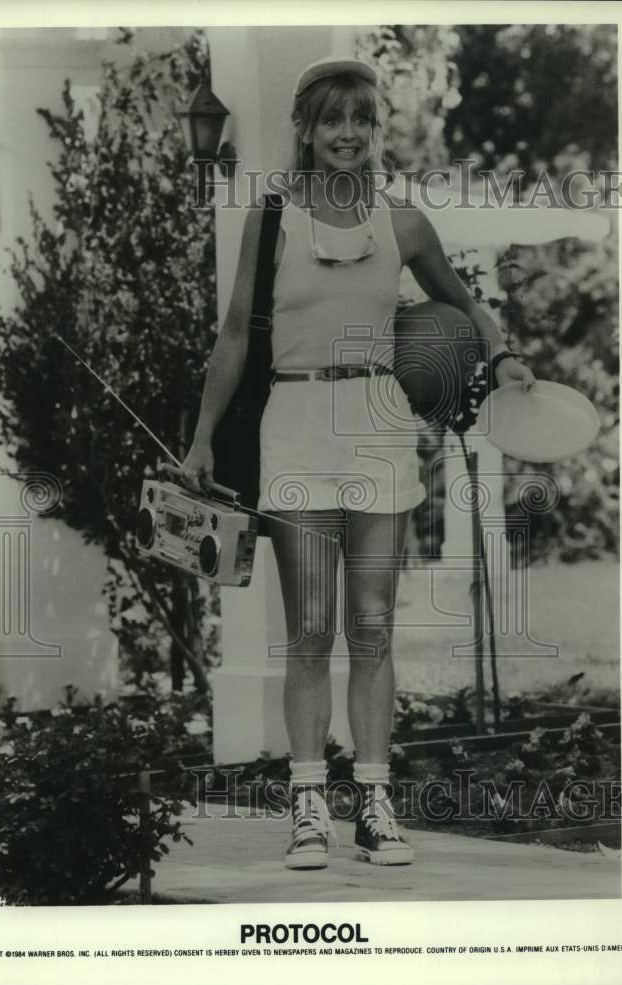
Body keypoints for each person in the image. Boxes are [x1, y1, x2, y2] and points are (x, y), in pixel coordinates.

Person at [181, 56, 536, 870]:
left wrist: (503, 356)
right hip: (296, 423)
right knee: (309, 629)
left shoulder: (402, 220)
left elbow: (459, 300)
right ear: (304, 127)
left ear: (376, 130)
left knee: (371, 627)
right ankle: (309, 807)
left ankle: (375, 802)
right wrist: (201, 439)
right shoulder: (269, 217)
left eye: (362, 121)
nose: (348, 134)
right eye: (332, 119)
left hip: (379, 422)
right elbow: (235, 335)